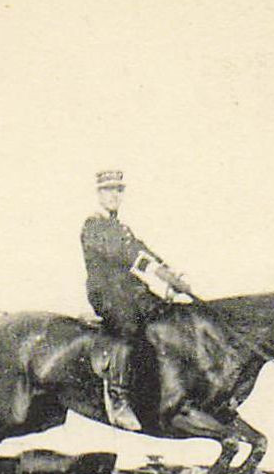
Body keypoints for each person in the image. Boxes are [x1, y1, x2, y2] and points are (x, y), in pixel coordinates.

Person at [79, 170, 192, 431]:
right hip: (107, 293)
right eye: (108, 190)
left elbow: (143, 250)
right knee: (129, 328)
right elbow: (126, 253)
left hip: (130, 291)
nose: (114, 196)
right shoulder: (94, 225)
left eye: (119, 191)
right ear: (99, 194)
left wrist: (172, 273)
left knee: (166, 319)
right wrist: (163, 276)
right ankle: (118, 397)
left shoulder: (121, 227)